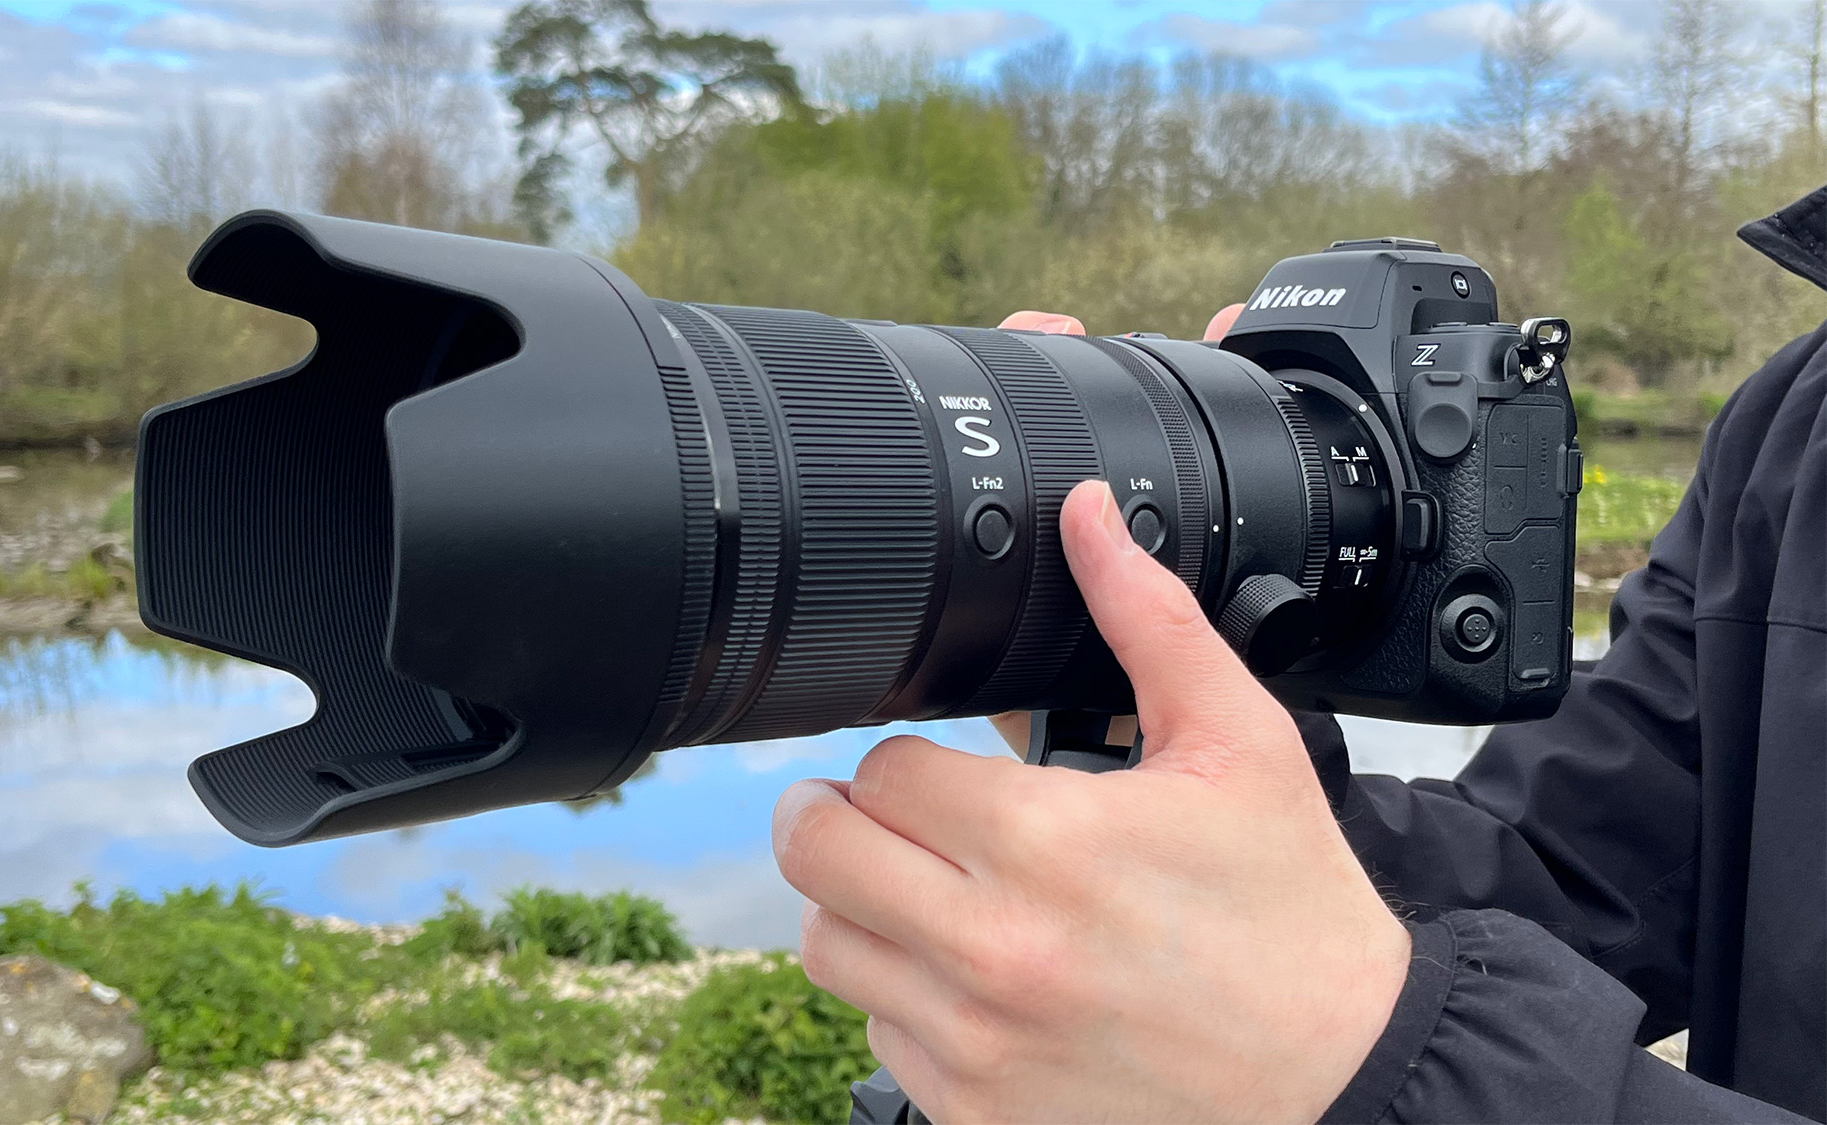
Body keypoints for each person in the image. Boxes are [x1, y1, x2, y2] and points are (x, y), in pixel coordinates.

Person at [772, 185, 1827, 1122]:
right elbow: (1583, 873)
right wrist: (1215, 760)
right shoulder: (1795, 416)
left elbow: (1364, 1044)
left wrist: (1379, 1064)